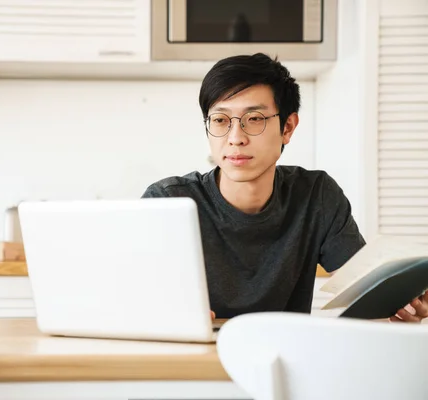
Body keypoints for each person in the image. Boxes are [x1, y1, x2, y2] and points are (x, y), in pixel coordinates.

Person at [142, 53, 428, 323]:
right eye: (220, 120)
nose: (235, 137)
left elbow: (364, 287)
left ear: (288, 127)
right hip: (188, 361)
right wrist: (163, 315)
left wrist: (403, 302)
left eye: (253, 119)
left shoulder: (316, 195)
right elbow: (125, 293)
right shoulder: (167, 201)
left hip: (287, 357)